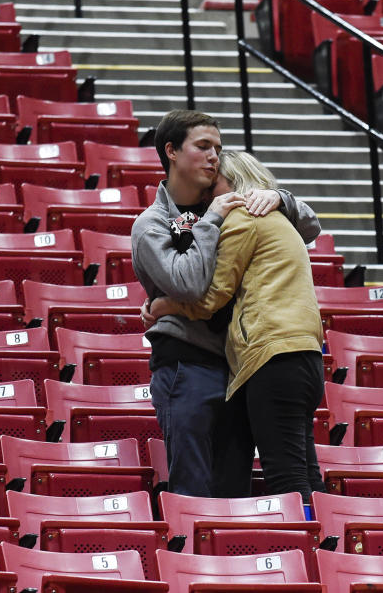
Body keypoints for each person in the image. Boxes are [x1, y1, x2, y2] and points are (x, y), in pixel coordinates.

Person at [131, 109, 320, 498]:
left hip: (238, 365)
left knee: (236, 487)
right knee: (196, 487)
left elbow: (310, 227)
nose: (215, 156)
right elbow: (189, 283)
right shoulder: (153, 223)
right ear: (171, 151)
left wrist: (279, 197)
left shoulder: (225, 204)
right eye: (203, 147)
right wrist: (211, 220)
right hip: (187, 363)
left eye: (218, 148)